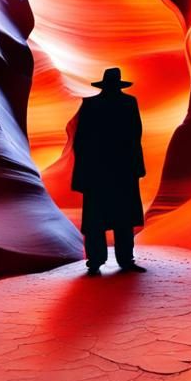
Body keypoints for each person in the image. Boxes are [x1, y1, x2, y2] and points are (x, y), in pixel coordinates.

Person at [71, 67, 147, 275]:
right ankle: (124, 260)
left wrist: (83, 173)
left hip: (98, 172)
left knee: (97, 218)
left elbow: (81, 141)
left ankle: (95, 261)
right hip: (122, 171)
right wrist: (137, 168)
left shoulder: (91, 105)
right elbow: (135, 137)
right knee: (123, 217)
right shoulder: (129, 103)